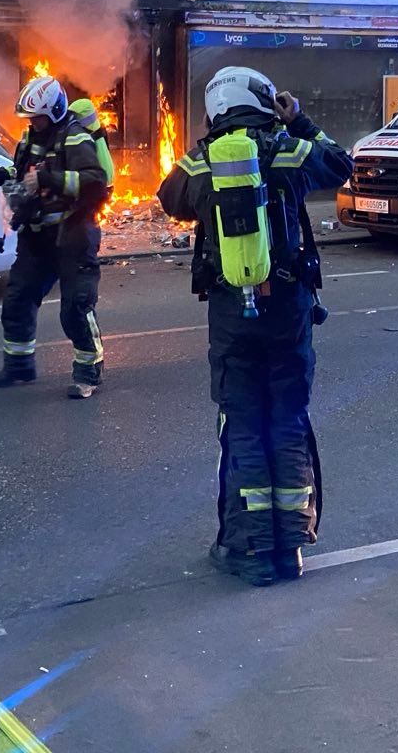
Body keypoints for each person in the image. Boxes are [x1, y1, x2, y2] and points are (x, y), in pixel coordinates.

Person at [156, 67, 353, 586]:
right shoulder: (288, 149)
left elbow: (168, 198)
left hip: (230, 314)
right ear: (264, 101)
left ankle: (249, 551)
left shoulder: (199, 162)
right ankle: (290, 549)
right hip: (287, 306)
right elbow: (340, 164)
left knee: (242, 425)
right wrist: (301, 121)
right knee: (287, 418)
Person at [0, 76, 111, 398]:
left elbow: (95, 181)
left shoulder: (75, 138)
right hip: (37, 235)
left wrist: (50, 178)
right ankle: (19, 366)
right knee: (17, 299)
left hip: (73, 232)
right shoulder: (28, 139)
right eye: (29, 118)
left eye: (36, 117)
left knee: (75, 307)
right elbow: (24, 175)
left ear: (54, 111)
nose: (32, 123)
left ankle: (88, 371)